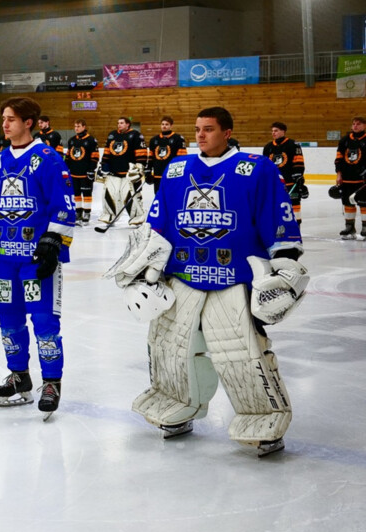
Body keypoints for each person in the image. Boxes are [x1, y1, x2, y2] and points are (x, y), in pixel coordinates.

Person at [110, 107, 305, 456]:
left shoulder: (255, 169)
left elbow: (277, 219)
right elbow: (158, 224)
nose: (200, 135)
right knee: (170, 346)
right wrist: (146, 268)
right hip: (183, 275)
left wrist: (285, 264)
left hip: (235, 277)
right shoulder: (177, 169)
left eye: (209, 129)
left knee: (240, 353)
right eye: (198, 129)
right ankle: (177, 403)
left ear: (227, 132)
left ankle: (263, 417)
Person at [0, 96, 75, 415]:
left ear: (28, 123)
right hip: (4, 258)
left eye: (11, 119)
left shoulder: (48, 159)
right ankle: (19, 375)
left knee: (43, 320)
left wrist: (53, 241)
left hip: (35, 259)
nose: (4, 124)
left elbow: (63, 206)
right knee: (8, 319)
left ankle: (51, 381)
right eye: (3, 118)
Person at [94, 116, 148, 231]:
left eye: (122, 123)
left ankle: (137, 218)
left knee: (130, 195)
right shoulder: (112, 135)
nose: (119, 125)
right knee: (110, 193)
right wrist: (103, 164)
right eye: (118, 123)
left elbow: (141, 153)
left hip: (129, 173)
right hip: (113, 172)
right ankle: (109, 216)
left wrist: (140, 167)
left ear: (128, 124)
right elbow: (107, 151)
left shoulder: (136, 135)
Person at [263, 122, 306, 223]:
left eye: (276, 131)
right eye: (272, 131)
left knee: (294, 205)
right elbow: (265, 165)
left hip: (290, 182)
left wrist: (298, 177)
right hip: (274, 183)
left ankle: (296, 226)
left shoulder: (293, 145)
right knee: (275, 206)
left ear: (283, 131)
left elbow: (298, 162)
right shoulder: (268, 147)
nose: (273, 133)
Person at [334, 115, 366, 239]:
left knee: (364, 203)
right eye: (353, 124)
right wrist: (339, 174)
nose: (355, 126)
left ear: (364, 126)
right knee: (347, 203)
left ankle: (365, 227)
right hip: (347, 178)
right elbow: (338, 159)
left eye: (358, 124)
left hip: (362, 179)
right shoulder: (345, 140)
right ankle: (349, 227)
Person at [64, 119, 100, 225]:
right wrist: (66, 168)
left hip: (86, 172)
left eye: (78, 126)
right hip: (74, 172)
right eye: (75, 126)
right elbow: (68, 156)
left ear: (84, 127)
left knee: (87, 193)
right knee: (76, 194)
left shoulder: (91, 140)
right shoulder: (71, 140)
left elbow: (95, 156)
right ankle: (78, 212)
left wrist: (91, 169)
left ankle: (87, 213)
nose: (76, 128)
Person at [147, 116, 187, 192]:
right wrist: (148, 171)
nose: (164, 126)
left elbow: (182, 158)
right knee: (158, 195)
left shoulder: (178, 139)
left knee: (171, 195)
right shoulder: (154, 140)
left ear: (171, 126)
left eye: (166, 124)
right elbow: (151, 157)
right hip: (157, 175)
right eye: (162, 124)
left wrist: (180, 173)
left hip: (172, 175)